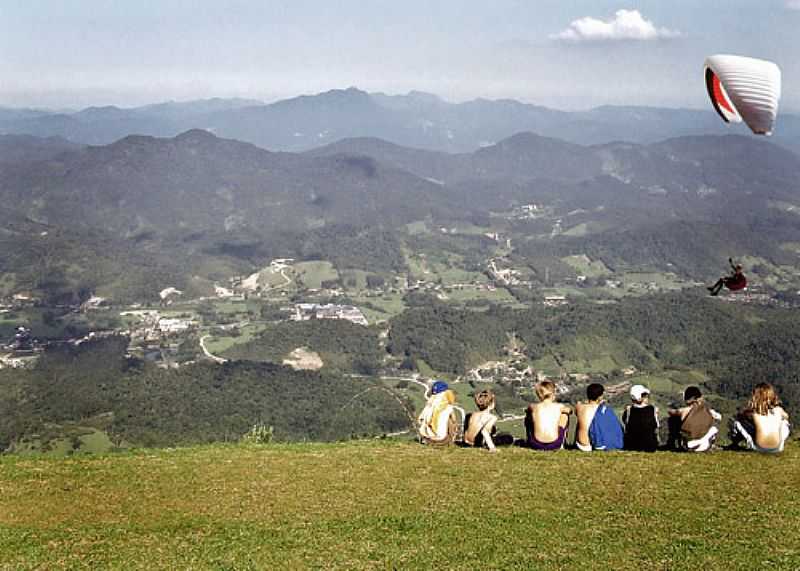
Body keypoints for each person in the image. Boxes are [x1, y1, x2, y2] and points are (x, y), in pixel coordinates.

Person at [728, 383, 791, 453]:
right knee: (784, 422)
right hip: (778, 448)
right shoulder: (779, 410)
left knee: (737, 423)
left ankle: (735, 443)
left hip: (758, 448)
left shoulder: (754, 413)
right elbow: (786, 416)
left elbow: (740, 416)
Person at [668, 386, 721, 452]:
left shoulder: (683, 411)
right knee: (714, 426)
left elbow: (670, 412)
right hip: (704, 445)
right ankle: (712, 444)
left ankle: (673, 443)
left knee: (673, 419)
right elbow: (719, 417)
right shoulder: (708, 411)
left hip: (687, 446)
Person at [526, 380, 572, 451]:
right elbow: (569, 411)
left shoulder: (534, 407)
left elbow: (528, 409)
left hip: (536, 444)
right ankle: (563, 442)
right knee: (565, 415)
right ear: (553, 393)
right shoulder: (559, 407)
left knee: (529, 415)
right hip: (555, 444)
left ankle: (529, 439)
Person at [417, 380, 458, 446]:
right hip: (441, 438)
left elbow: (420, 419)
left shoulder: (429, 403)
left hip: (424, 434)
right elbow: (454, 419)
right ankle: (449, 440)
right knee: (451, 422)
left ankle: (427, 439)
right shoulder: (446, 406)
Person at [621, 384, 659, 452]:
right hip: (649, 446)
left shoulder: (628, 411)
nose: (647, 397)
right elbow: (656, 426)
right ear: (641, 397)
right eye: (645, 396)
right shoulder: (653, 409)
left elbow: (625, 423)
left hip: (631, 445)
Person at [574, 383, 603, 451]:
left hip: (582, 445)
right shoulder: (602, 409)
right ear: (600, 397)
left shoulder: (579, 407)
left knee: (580, 422)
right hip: (598, 444)